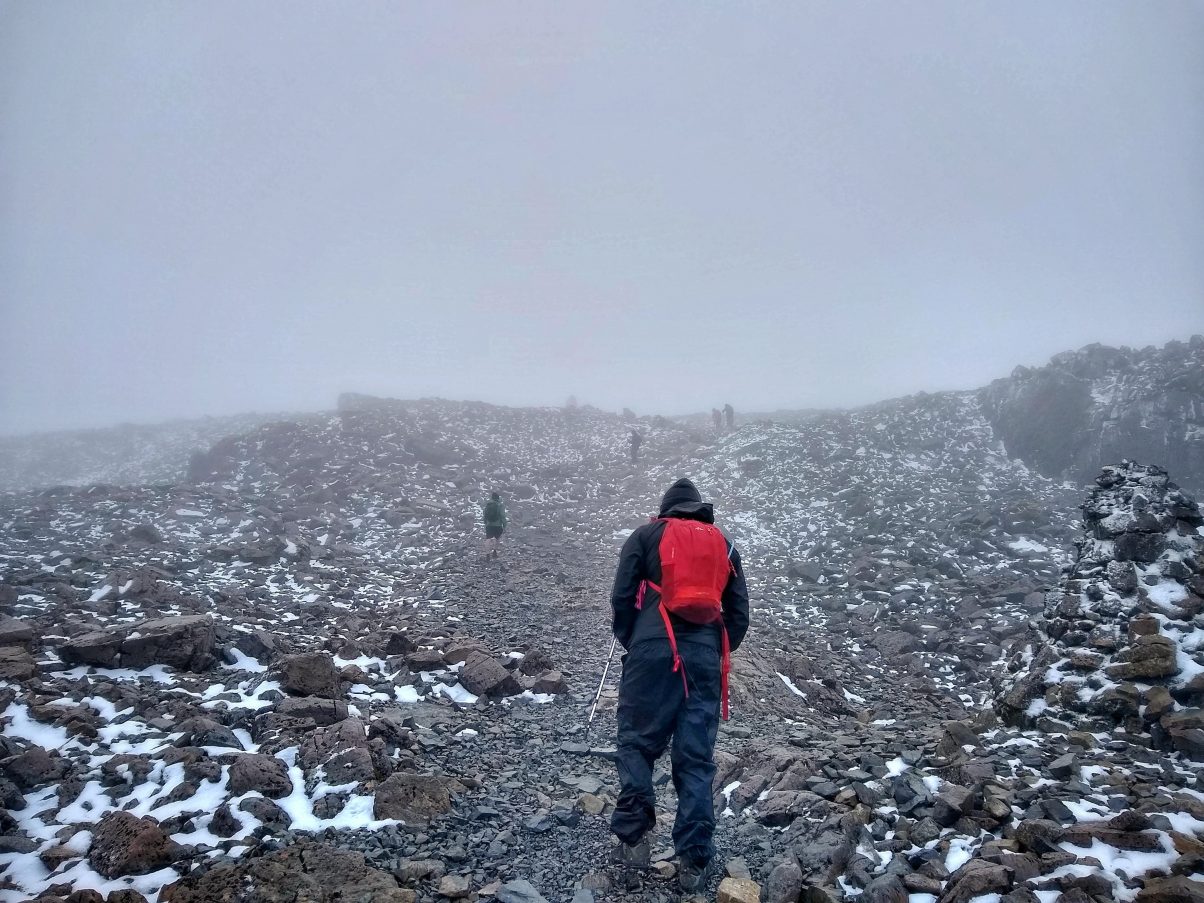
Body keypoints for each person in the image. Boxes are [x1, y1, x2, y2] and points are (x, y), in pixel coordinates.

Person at [609, 478, 750, 892]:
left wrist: (635, 640)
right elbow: (738, 612)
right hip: (704, 658)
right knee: (695, 757)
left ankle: (634, 840)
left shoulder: (645, 535)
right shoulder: (723, 544)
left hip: (652, 650)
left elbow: (621, 597)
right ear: (699, 509)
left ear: (666, 509)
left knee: (636, 741)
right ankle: (693, 859)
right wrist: (715, 648)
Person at [482, 492, 507, 559]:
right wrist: (505, 525)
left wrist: (485, 522)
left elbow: (484, 514)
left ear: (492, 497)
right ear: (498, 498)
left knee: (488, 539)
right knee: (497, 538)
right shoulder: (500, 505)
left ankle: (487, 554)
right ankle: (494, 552)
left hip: (489, 525)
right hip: (498, 525)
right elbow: (502, 516)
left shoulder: (488, 504)